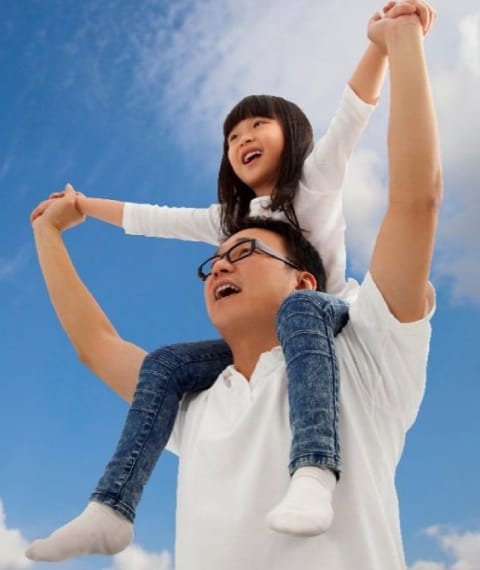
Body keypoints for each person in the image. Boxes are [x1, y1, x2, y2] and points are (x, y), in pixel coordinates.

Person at [27, 1, 441, 567]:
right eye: (214, 261)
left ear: (299, 276)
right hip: (274, 334)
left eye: (243, 253)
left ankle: (316, 469)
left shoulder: (362, 357)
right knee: (163, 366)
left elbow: (406, 187)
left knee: (302, 318)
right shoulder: (202, 402)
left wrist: (393, 42)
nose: (220, 263)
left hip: (327, 323)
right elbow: (102, 333)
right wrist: (58, 223)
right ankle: (111, 507)